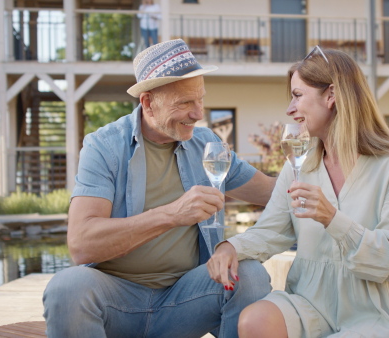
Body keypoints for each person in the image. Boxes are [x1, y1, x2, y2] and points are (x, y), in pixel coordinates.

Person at [43, 39, 275, 338]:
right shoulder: (104, 146)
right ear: (148, 103)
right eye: (184, 103)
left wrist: (328, 159)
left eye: (200, 100)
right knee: (67, 287)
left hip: (186, 301)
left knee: (251, 275)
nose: (198, 113)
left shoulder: (208, 145)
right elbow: (81, 243)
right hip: (116, 303)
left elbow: (271, 191)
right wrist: (172, 214)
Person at [207, 46, 389, 338]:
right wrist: (230, 247)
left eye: (297, 95)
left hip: (376, 308)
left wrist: (332, 219)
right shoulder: (300, 164)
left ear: (331, 95)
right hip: (312, 300)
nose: (289, 109)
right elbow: (270, 231)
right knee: (254, 321)